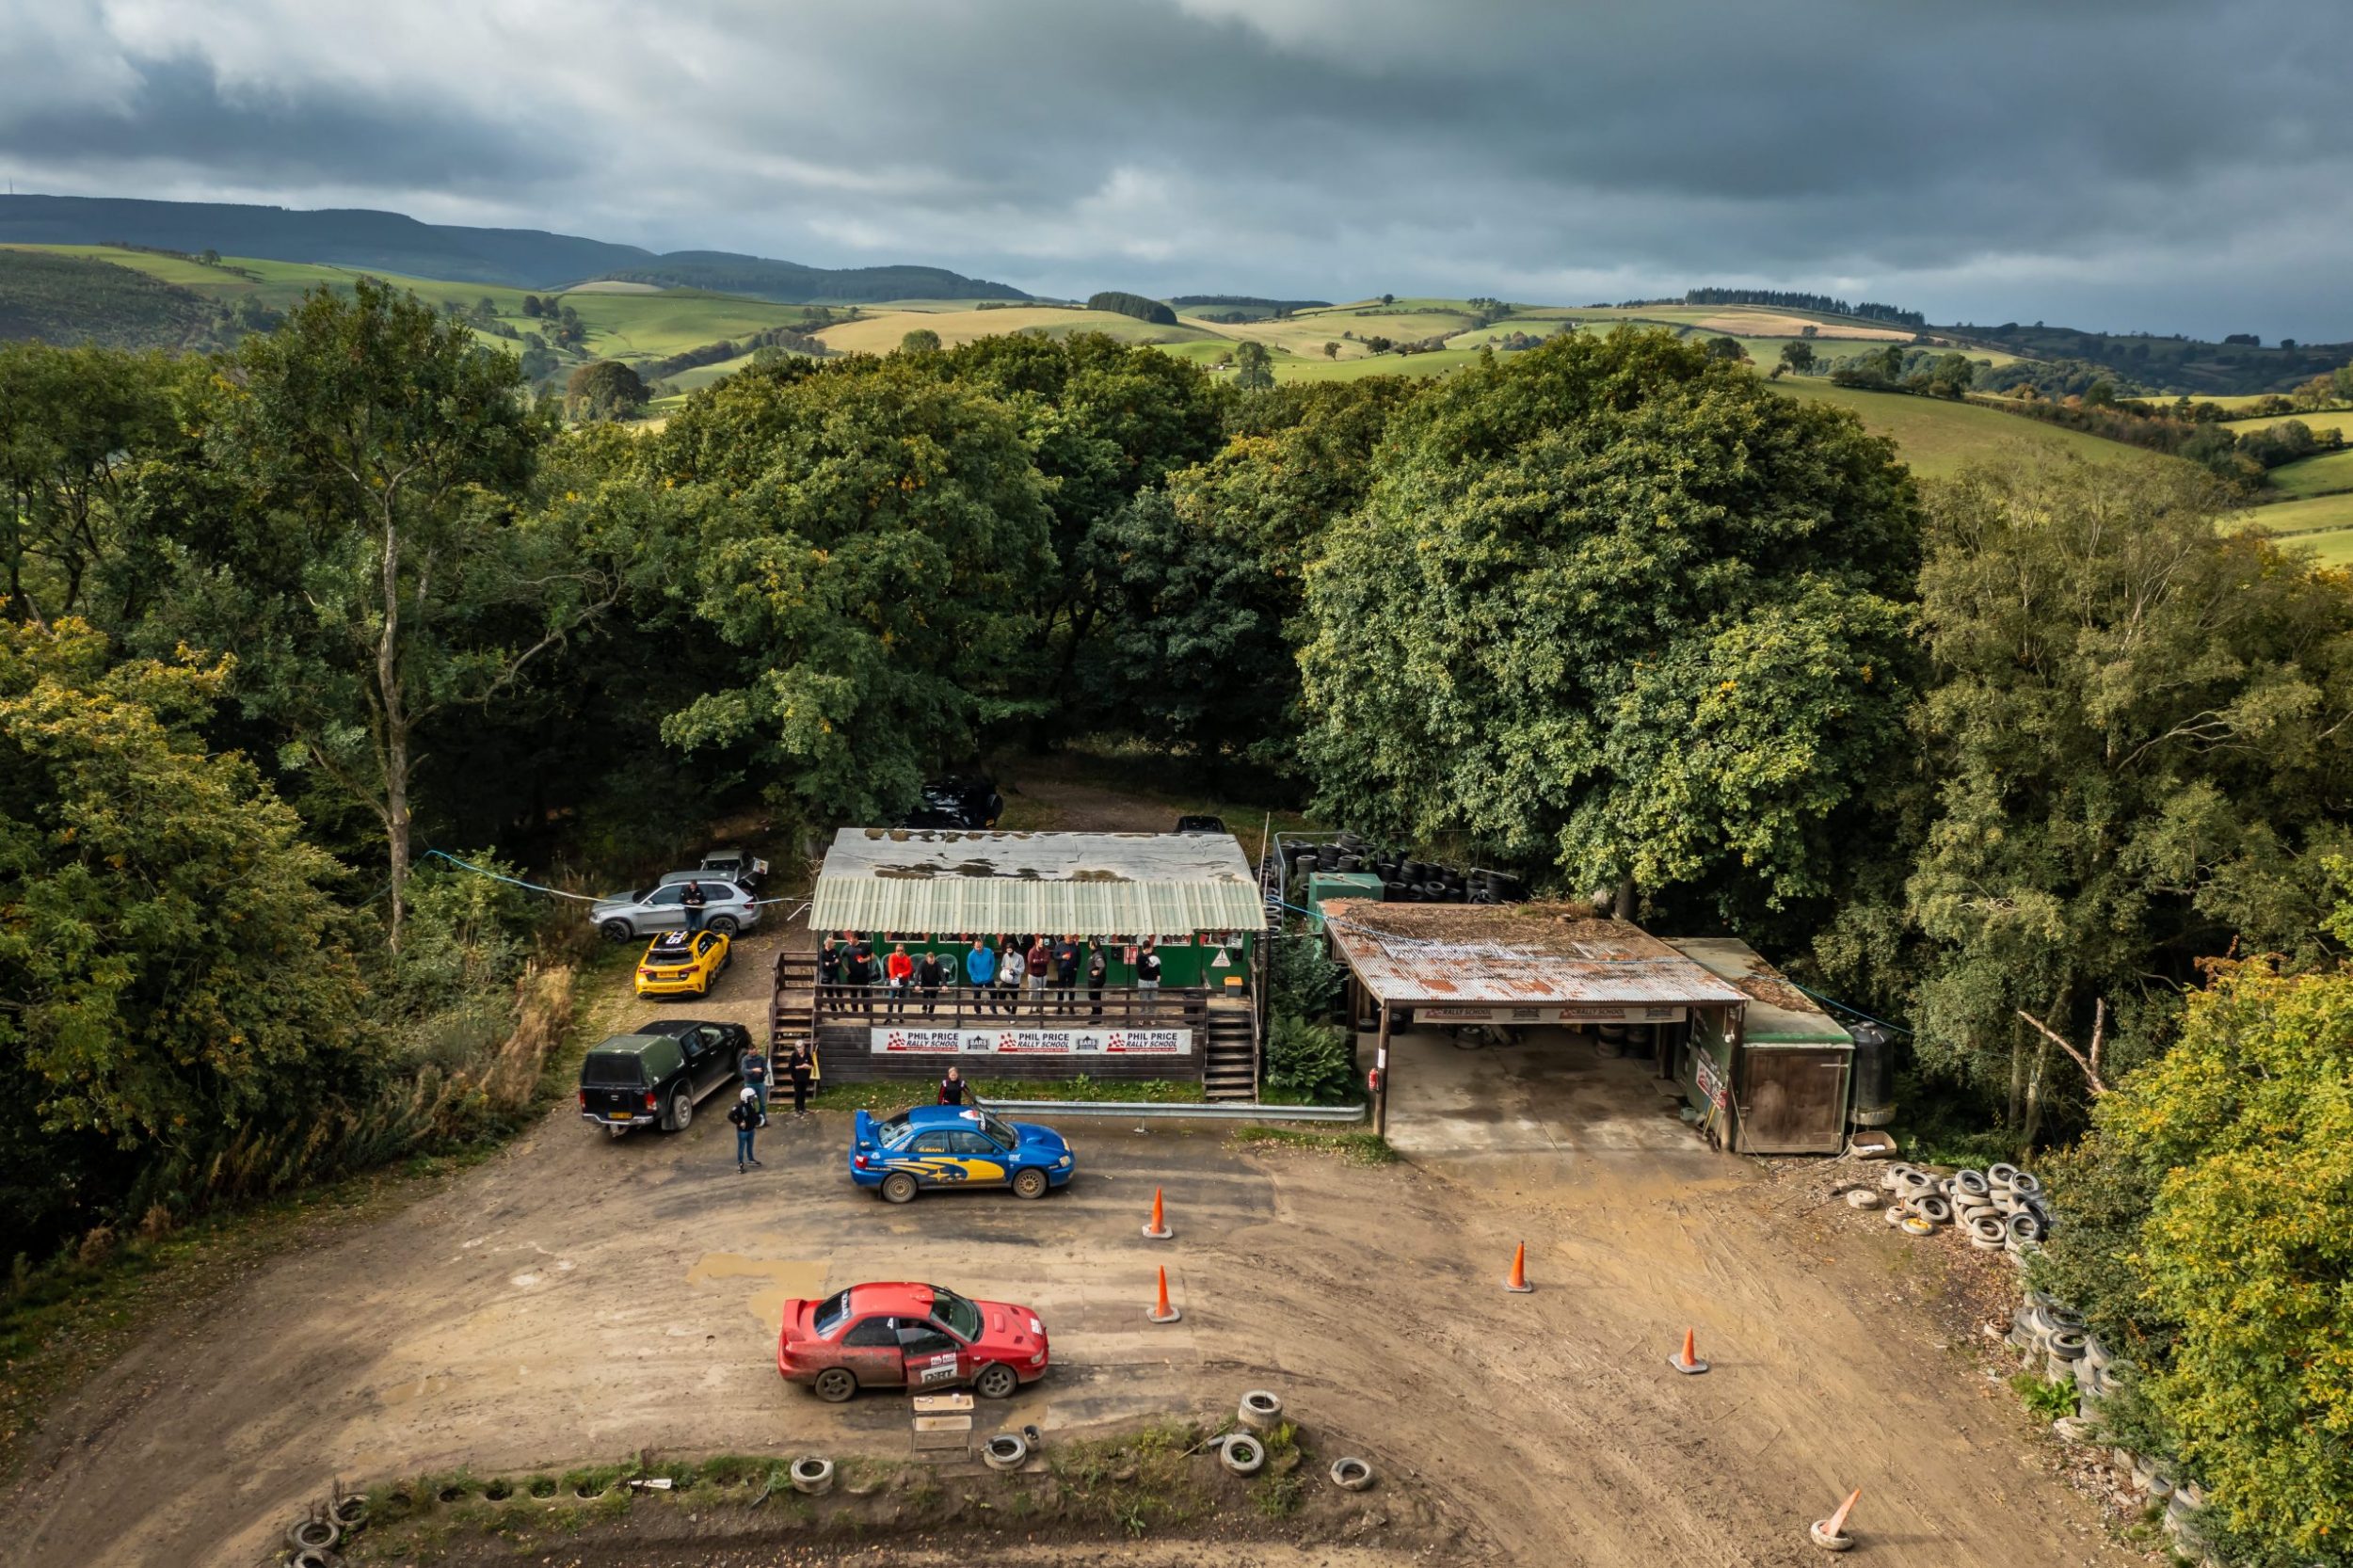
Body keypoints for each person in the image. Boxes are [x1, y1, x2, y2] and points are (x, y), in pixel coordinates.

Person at [728, 1086, 762, 1173]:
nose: (754, 1098)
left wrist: (758, 1119)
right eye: (751, 1097)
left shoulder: (754, 1104)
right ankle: (740, 1164)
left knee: (750, 1146)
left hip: (751, 1129)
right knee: (741, 1147)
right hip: (742, 1131)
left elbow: (756, 1112)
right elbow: (730, 1116)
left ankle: (751, 1159)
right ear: (746, 1098)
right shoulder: (739, 1106)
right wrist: (739, 1123)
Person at [964, 936, 997, 1015]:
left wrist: (990, 973)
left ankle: (993, 1007)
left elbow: (992, 963)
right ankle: (977, 1011)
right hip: (976, 979)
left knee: (993, 993)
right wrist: (976, 977)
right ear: (974, 946)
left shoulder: (988, 951)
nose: (979, 948)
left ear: (983, 945)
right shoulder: (971, 955)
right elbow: (970, 968)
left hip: (988, 977)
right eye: (977, 947)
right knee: (977, 995)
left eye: (980, 946)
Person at [998, 936, 1027, 1016]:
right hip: (1006, 980)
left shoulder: (1019, 957)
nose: (1009, 952)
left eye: (1010, 950)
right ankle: (1008, 1009)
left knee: (1014, 999)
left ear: (1013, 949)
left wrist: (1013, 969)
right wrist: (1005, 969)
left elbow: (1022, 969)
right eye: (1007, 950)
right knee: (1001, 996)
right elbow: (1002, 965)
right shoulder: (1005, 956)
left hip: (1015, 982)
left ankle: (1013, 1014)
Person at [740, 1039, 770, 1113]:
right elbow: (743, 1070)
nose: (754, 1053)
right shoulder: (745, 1059)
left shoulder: (761, 1059)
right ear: (748, 1051)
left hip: (760, 1083)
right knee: (750, 1104)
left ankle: (763, 1119)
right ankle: (752, 1119)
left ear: (756, 1050)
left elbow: (766, 1069)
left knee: (762, 1103)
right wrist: (753, 1070)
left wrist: (763, 1074)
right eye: (752, 1052)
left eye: (755, 1051)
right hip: (749, 1084)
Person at [1052, 935, 1080, 1014]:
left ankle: (1071, 1008)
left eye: (1072, 938)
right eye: (1069, 939)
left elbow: (1079, 957)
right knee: (1061, 990)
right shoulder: (1059, 945)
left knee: (1072, 989)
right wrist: (1062, 957)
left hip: (1072, 971)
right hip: (1062, 971)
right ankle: (1059, 1008)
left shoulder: (1075, 945)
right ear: (1065, 938)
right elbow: (1054, 956)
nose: (1071, 940)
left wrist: (1076, 967)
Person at [787, 1040, 814, 1116]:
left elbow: (812, 1065)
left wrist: (807, 1066)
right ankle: (797, 1109)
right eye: (797, 1047)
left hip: (805, 1077)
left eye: (800, 1047)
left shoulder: (807, 1054)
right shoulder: (794, 1055)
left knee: (803, 1093)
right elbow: (790, 1067)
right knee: (797, 1093)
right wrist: (801, 1066)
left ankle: (802, 1108)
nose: (799, 1049)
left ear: (803, 1047)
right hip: (796, 1078)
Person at [1136, 937, 1162, 1016]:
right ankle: (1142, 1017)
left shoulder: (1154, 954)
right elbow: (1140, 971)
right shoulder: (1140, 957)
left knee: (1153, 1000)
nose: (1152, 949)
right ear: (1147, 949)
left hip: (1153, 981)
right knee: (1143, 1000)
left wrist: (1159, 974)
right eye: (1151, 947)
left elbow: (1157, 965)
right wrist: (1149, 966)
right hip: (1143, 981)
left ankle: (1151, 1017)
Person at [916, 948, 946, 1016]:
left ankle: (931, 1012)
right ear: (927, 959)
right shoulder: (922, 963)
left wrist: (944, 984)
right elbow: (917, 973)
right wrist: (916, 984)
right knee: (925, 996)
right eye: (930, 961)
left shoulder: (937, 963)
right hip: (925, 982)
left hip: (935, 982)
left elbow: (942, 973)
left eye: (933, 960)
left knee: (933, 997)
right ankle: (924, 1008)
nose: (932, 962)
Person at [1025, 934, 1051, 1013]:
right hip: (1033, 975)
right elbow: (1030, 963)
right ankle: (1030, 1007)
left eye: (1043, 944)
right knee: (1032, 993)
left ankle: (1039, 1008)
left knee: (1041, 993)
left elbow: (1047, 961)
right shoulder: (1032, 951)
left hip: (1043, 975)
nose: (1042, 945)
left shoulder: (1046, 951)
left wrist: (1036, 961)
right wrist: (1041, 960)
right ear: (1036, 943)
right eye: (1040, 944)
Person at [886, 942, 913, 1016]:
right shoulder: (892, 957)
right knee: (891, 999)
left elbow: (910, 970)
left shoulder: (907, 958)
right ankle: (889, 1016)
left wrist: (902, 974)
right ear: (896, 950)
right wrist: (895, 979)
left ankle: (900, 1015)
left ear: (904, 950)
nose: (900, 952)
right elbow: (890, 969)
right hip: (894, 979)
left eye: (901, 950)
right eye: (898, 950)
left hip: (904, 980)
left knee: (901, 999)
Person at [1086, 939, 1108, 1021]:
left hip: (1095, 980)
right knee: (1095, 997)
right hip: (1094, 979)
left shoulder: (1098, 954)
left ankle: (1096, 1016)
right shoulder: (1097, 953)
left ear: (1094, 945)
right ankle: (1095, 1013)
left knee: (1094, 997)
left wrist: (1098, 972)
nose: (1089, 946)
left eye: (1090, 944)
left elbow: (1102, 965)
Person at [818, 936, 841, 1007]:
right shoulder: (822, 953)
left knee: (838, 989)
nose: (834, 945)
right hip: (825, 975)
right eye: (833, 943)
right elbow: (823, 966)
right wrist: (834, 963)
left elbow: (839, 964)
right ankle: (833, 1010)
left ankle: (842, 1006)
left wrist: (829, 964)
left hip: (835, 975)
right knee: (829, 993)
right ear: (828, 944)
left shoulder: (835, 952)